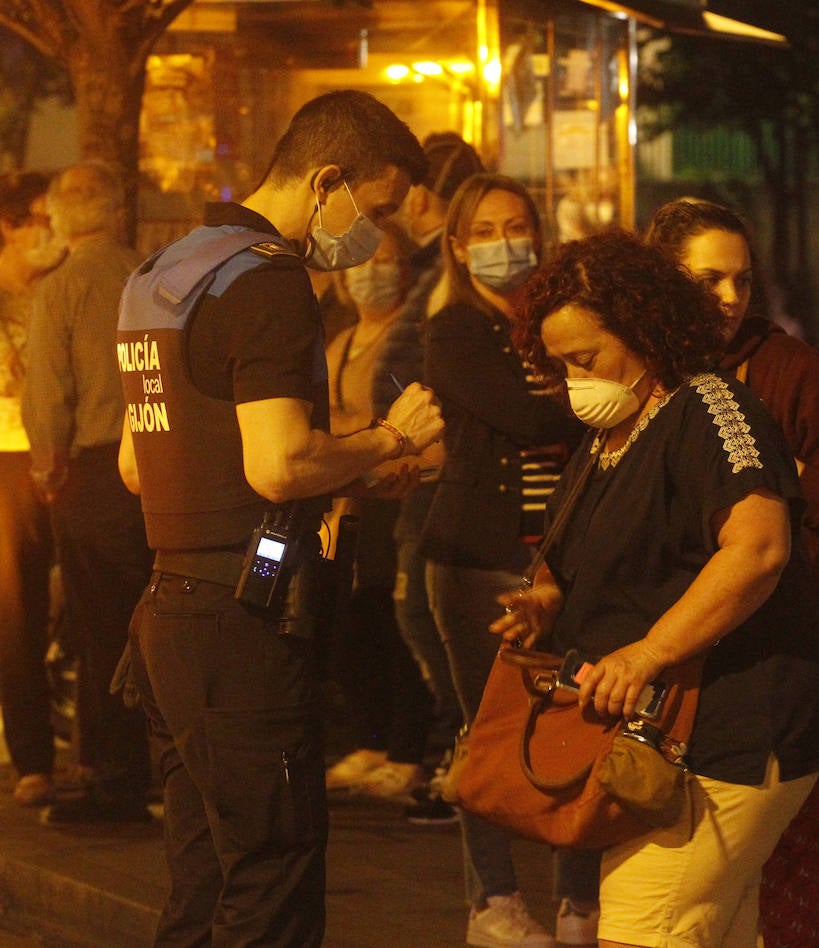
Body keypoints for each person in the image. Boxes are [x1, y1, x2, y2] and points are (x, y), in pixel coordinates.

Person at [115, 89, 443, 945]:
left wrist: (346, 480)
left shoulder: (166, 272)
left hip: (169, 615)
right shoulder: (271, 280)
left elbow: (135, 462)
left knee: (202, 881)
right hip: (241, 626)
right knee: (274, 875)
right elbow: (279, 461)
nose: (372, 235)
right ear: (327, 179)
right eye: (372, 210)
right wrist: (382, 439)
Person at [501, 230, 819, 948]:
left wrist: (646, 654)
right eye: (559, 365)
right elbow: (598, 560)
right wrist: (548, 605)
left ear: (643, 331)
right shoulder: (609, 435)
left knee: (648, 927)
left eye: (584, 359)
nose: (572, 380)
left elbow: (758, 549)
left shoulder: (713, 409)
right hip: (666, 736)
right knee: (706, 927)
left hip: (733, 728)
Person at [644, 197, 819, 948]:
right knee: (677, 885)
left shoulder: (785, 366)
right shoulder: (641, 366)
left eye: (740, 282)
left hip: (774, 664)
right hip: (666, 657)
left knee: (790, 881)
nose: (727, 298)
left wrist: (774, 472)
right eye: (708, 279)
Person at [420, 172, 597, 948]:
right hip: (480, 557)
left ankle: (580, 903)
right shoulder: (455, 329)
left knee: (582, 721)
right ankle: (493, 900)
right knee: (488, 729)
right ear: (459, 248)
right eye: (486, 232)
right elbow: (527, 415)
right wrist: (587, 386)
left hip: (562, 556)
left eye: (516, 226)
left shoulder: (557, 321)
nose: (504, 244)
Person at [22, 162, 154, 823]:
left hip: (95, 471)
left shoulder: (63, 288)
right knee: (146, 621)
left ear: (66, 215)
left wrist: (47, 471)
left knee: (99, 627)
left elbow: (49, 398)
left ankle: (111, 776)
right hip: (158, 465)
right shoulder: (153, 279)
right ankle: (152, 764)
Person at [375, 131, 484, 824]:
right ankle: (458, 742)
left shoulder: (453, 282)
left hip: (452, 471)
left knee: (445, 615)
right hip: (423, 465)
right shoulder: (433, 273)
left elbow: (402, 358)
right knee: (419, 610)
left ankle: (462, 745)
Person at [321, 223, 434, 801]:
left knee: (396, 623)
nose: (374, 271)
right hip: (346, 507)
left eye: (389, 259)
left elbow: (396, 425)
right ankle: (369, 738)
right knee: (351, 621)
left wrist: (350, 435)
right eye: (365, 260)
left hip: (396, 497)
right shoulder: (338, 344)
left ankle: (406, 750)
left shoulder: (406, 343)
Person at [0, 170, 59, 808]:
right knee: (17, 617)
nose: (51, 233)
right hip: (8, 459)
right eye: (39, 220)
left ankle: (103, 751)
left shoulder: (59, 291)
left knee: (94, 603)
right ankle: (33, 758)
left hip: (64, 456)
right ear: (9, 227)